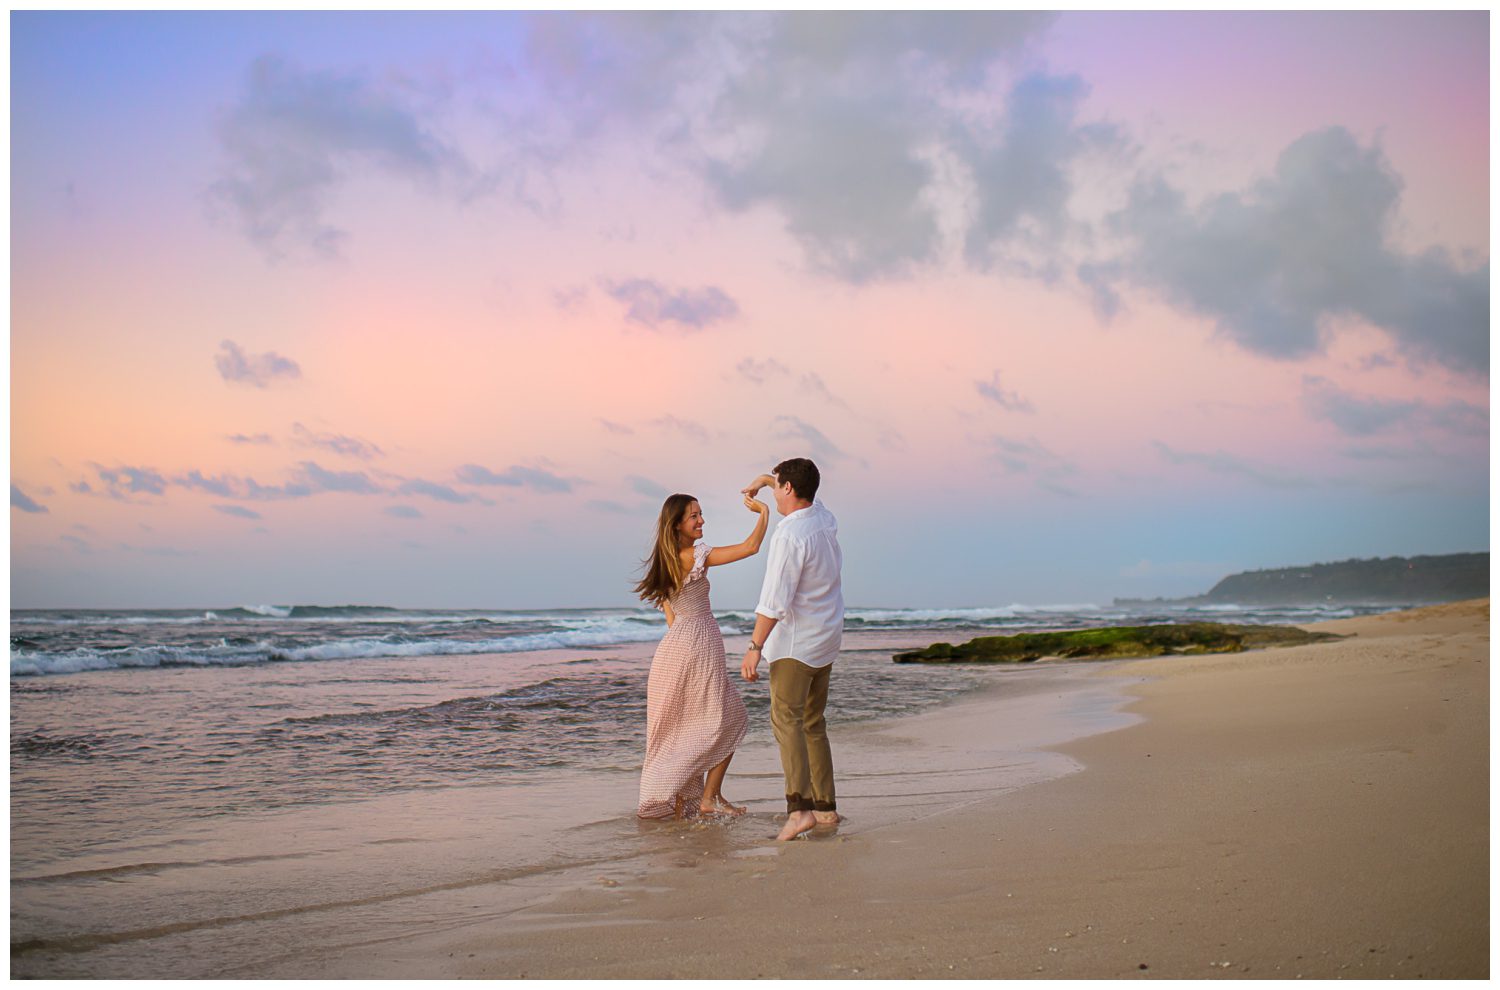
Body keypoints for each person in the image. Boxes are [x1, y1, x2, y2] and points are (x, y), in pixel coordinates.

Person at [635, 490, 769, 820]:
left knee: (685, 728)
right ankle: (710, 796)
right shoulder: (695, 555)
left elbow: (671, 618)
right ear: (677, 524)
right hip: (697, 646)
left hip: (674, 650)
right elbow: (751, 547)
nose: (701, 521)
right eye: (694, 516)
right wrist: (764, 512)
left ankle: (685, 806)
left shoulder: (664, 563)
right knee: (731, 717)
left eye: (700, 514)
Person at [739, 458, 845, 841]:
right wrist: (767, 480)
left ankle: (799, 810)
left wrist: (754, 646)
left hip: (796, 645)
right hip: (827, 638)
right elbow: (800, 493)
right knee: (813, 722)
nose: (774, 489)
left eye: (777, 485)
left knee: (787, 722)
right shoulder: (823, 518)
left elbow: (774, 601)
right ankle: (826, 807)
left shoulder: (789, 535)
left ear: (787, 489)